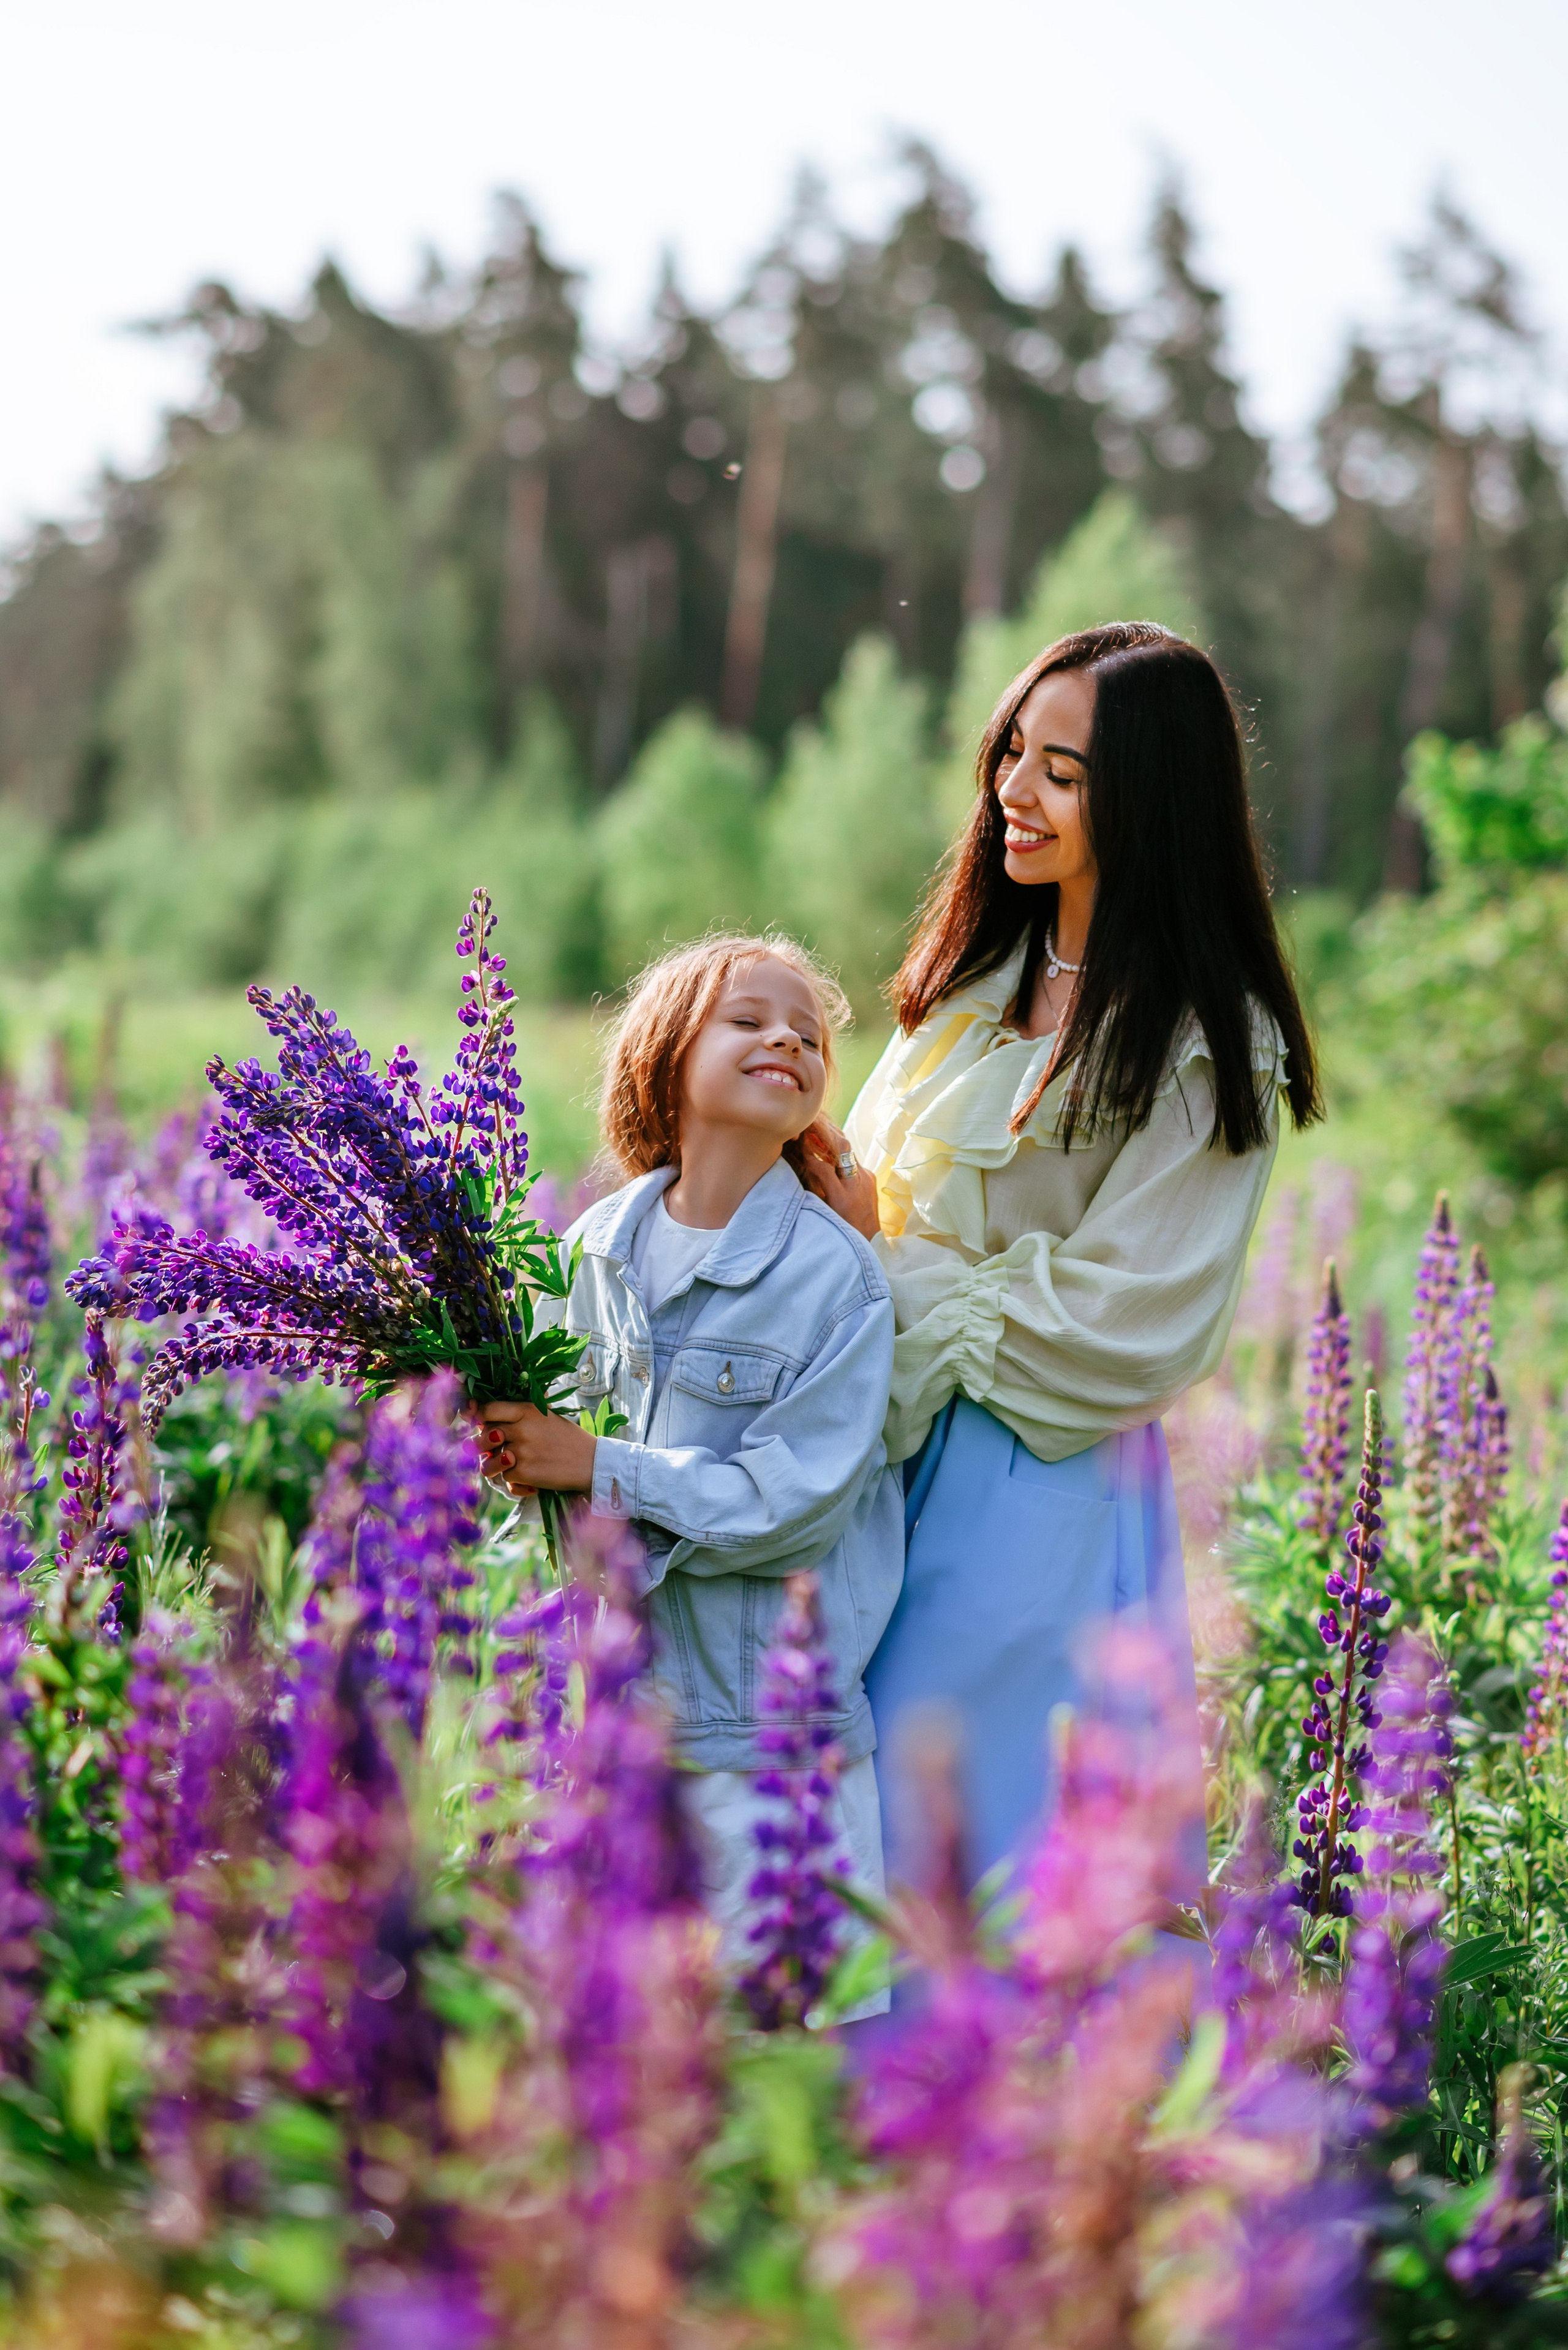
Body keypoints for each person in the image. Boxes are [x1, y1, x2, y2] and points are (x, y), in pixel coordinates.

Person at [804, 623, 1321, 1886]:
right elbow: (857, 1194)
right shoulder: (982, 973)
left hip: (1029, 1472)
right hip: (869, 1442)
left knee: (965, 1853)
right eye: (1011, 753)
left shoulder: (1207, 1033)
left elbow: (1122, 1322)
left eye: (1062, 771)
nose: (1011, 794)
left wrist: (885, 1260)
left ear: (1149, 795)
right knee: (835, 1828)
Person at [476, 935, 902, 2012]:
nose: (787, 1040)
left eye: (807, 1036)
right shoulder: (592, 1250)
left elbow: (796, 1504)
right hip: (624, 1730)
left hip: (769, 1753)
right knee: (630, 2071)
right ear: (667, 1054)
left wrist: (598, 1464)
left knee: (770, 2075)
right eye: (750, 1018)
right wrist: (520, 1456)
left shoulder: (834, 1275)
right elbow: (563, 1478)